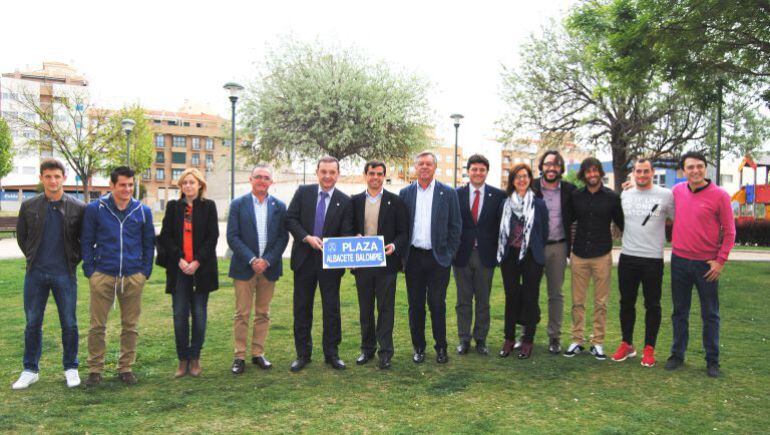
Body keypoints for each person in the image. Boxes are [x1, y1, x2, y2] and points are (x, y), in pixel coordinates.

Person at [12, 158, 86, 390]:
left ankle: (71, 368)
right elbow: (22, 237)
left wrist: (72, 261)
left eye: (57, 176)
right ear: (41, 178)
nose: (53, 180)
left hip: (64, 273)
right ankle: (30, 369)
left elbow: (84, 241)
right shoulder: (29, 206)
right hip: (35, 274)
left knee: (69, 322)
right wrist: (34, 257)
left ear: (63, 178)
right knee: (33, 323)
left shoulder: (78, 207)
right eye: (48, 176)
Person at [81, 166, 155, 386]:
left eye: (131, 184)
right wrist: (90, 271)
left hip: (133, 276)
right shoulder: (96, 209)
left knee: (130, 326)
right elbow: (86, 241)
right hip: (103, 274)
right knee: (97, 326)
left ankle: (126, 367)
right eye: (122, 184)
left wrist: (145, 271)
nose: (127, 189)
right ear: (112, 185)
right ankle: (95, 369)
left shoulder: (143, 211)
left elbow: (148, 244)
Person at [665, 152, 735, 378]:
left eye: (699, 166)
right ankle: (677, 354)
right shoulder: (677, 191)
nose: (695, 171)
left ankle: (712, 360)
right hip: (679, 261)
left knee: (710, 314)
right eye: (690, 167)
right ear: (683, 171)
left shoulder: (720, 196)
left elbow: (730, 232)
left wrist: (720, 261)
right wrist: (630, 185)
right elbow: (655, 201)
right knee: (679, 311)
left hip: (706, 265)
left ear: (705, 168)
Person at [285, 156, 354, 372]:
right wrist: (306, 237)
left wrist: (354, 238)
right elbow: (290, 219)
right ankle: (302, 354)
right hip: (304, 260)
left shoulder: (345, 200)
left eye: (332, 172)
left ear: (338, 174)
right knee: (302, 308)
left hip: (330, 263)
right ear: (317, 172)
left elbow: (346, 231)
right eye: (324, 171)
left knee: (331, 309)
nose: (327, 176)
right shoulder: (303, 193)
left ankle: (332, 354)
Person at [399, 151, 461, 364]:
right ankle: (419, 347)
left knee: (437, 303)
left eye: (428, 164)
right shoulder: (405, 193)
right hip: (414, 257)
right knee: (415, 305)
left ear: (434, 167)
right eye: (420, 164)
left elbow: (455, 226)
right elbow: (400, 227)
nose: (424, 167)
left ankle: (441, 347)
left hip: (438, 259)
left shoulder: (448, 193)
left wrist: (449, 253)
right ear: (415, 167)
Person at [157, 168, 219, 378]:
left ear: (200, 185)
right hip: (179, 270)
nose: (188, 186)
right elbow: (165, 236)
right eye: (185, 183)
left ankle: (195, 358)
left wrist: (197, 261)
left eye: (192, 182)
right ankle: (182, 360)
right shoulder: (174, 207)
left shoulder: (209, 207)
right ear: (181, 186)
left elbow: (213, 237)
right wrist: (180, 259)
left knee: (199, 315)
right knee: (179, 315)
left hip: (201, 270)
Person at [226, 165, 289, 375]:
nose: (262, 181)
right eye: (258, 177)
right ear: (250, 179)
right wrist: (252, 259)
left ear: (272, 182)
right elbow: (232, 236)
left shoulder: (279, 206)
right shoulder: (238, 204)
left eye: (266, 178)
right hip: (244, 267)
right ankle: (239, 356)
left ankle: (258, 353)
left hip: (269, 269)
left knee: (263, 313)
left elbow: (283, 237)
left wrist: (267, 260)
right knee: (242, 313)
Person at [611, 159, 674, 367]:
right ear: (633, 173)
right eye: (639, 171)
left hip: (653, 259)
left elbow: (678, 219)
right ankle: (627, 344)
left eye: (646, 171)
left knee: (652, 305)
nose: (642, 175)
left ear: (653, 172)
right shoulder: (625, 194)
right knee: (626, 302)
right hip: (628, 257)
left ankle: (649, 348)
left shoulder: (665, 195)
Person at [350, 161, 409, 369]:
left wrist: (394, 245)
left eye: (379, 174)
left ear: (384, 176)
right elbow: (347, 228)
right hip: (362, 265)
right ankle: (367, 349)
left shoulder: (395, 201)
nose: (375, 177)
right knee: (365, 309)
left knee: (386, 309)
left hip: (387, 264)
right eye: (372, 173)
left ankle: (385, 352)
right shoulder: (355, 201)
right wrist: (354, 236)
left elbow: (404, 233)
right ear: (365, 175)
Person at [564, 157, 623, 361]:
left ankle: (597, 342)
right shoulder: (575, 196)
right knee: (577, 302)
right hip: (579, 254)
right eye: (588, 172)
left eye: (595, 171)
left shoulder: (611, 197)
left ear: (600, 173)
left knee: (601, 302)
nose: (592, 175)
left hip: (602, 255)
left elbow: (622, 222)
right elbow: (566, 221)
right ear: (584, 174)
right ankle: (577, 340)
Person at [452, 154, 506, 356]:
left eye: (482, 170)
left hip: (486, 255)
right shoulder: (455, 194)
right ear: (468, 171)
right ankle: (464, 339)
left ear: (486, 172)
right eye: (474, 169)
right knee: (463, 301)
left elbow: (502, 225)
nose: (478, 173)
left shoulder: (498, 196)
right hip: (461, 255)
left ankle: (481, 339)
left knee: (483, 300)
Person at [497, 163, 549, 359]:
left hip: (531, 257)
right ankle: (509, 339)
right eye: (517, 176)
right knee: (511, 296)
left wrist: (532, 249)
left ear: (530, 179)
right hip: (509, 256)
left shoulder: (539, 204)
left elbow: (543, 233)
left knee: (530, 297)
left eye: (525, 176)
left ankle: (528, 340)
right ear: (512, 180)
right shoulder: (505, 204)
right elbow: (500, 230)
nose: (521, 180)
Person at [530, 150, 576, 354]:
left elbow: (587, 203)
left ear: (561, 169)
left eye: (556, 165)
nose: (552, 168)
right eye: (548, 164)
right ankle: (526, 334)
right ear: (542, 166)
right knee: (529, 292)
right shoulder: (530, 186)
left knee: (556, 294)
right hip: (534, 246)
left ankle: (554, 337)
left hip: (558, 246)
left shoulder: (569, 190)